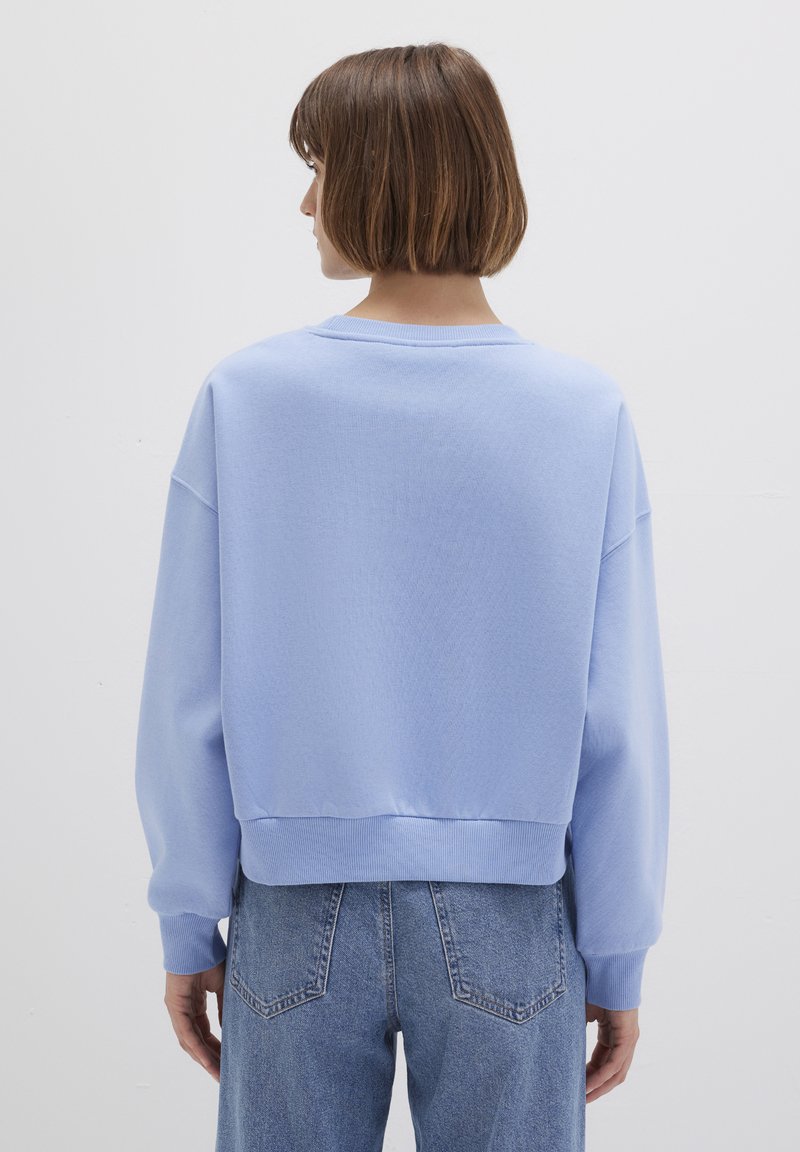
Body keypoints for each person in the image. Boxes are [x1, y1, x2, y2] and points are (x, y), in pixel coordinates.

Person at [135, 42, 670, 1151]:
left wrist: (189, 921)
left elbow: (188, 701)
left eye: (320, 168)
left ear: (380, 175)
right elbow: (617, 722)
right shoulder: (582, 413)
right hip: (511, 918)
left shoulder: (247, 398)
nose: (306, 202)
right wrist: (615, 953)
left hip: (294, 914)